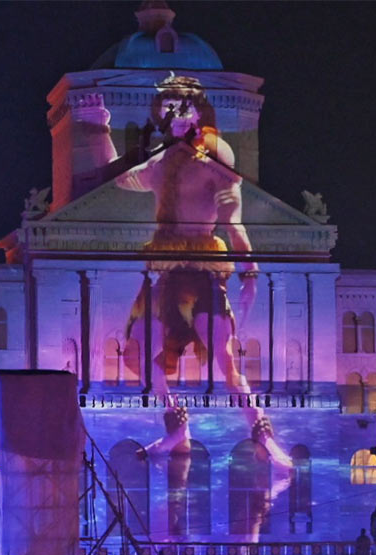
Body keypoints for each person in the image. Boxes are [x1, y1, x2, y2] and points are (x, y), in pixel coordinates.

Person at [116, 74, 290, 469]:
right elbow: (121, 178)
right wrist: (96, 126)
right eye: (167, 108)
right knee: (140, 354)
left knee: (227, 363)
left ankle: (262, 434)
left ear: (197, 112)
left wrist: (249, 273)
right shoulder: (159, 164)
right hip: (166, 276)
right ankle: (176, 425)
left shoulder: (214, 162)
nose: (174, 115)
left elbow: (233, 223)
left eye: (182, 106)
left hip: (202, 274)